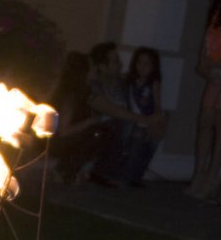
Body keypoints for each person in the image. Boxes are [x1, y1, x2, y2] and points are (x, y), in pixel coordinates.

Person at [88, 41, 164, 186]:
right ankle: (106, 172)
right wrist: (147, 120)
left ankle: (134, 175)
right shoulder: (96, 85)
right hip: (106, 127)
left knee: (152, 132)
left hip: (131, 123)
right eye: (116, 62)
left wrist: (155, 121)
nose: (121, 64)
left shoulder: (123, 81)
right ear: (103, 67)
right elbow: (113, 111)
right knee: (129, 126)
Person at [50, 51, 109, 185]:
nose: (96, 69)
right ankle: (64, 170)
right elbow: (64, 132)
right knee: (97, 134)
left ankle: (70, 171)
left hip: (68, 139)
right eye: (92, 66)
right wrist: (90, 122)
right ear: (83, 72)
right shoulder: (71, 96)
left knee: (102, 131)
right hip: (58, 142)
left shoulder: (84, 92)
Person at [186, 0, 221, 200]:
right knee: (205, 124)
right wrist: (207, 67)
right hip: (214, 78)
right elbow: (204, 52)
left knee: (218, 126)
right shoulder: (214, 14)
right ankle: (199, 175)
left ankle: (211, 178)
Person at [123, 46, 165, 186]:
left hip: (149, 121)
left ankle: (137, 176)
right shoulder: (130, 82)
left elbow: (158, 104)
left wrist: (157, 122)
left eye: (147, 64)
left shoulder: (153, 83)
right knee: (135, 149)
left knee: (147, 149)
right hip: (135, 121)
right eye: (139, 63)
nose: (142, 67)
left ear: (153, 66)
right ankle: (129, 176)